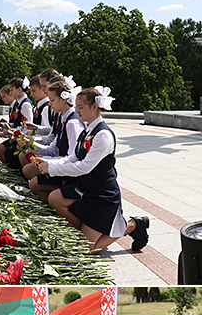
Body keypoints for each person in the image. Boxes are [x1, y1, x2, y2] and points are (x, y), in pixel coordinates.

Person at [39, 86, 149, 253]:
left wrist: (52, 170)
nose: (77, 111)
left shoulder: (103, 134)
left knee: (87, 250)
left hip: (102, 195)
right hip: (87, 188)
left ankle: (133, 225)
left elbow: (84, 167)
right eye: (76, 107)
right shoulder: (87, 130)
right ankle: (84, 231)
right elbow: (74, 157)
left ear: (94, 107)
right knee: (55, 198)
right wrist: (50, 164)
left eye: (81, 107)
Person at [0, 76, 33, 166]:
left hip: (23, 138)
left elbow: (27, 127)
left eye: (12, 90)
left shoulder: (25, 104)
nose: (11, 93)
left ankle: (15, 172)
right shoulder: (19, 103)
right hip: (17, 136)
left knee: (6, 152)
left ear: (19, 89)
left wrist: (12, 132)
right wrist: (2, 127)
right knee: (3, 151)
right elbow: (16, 123)